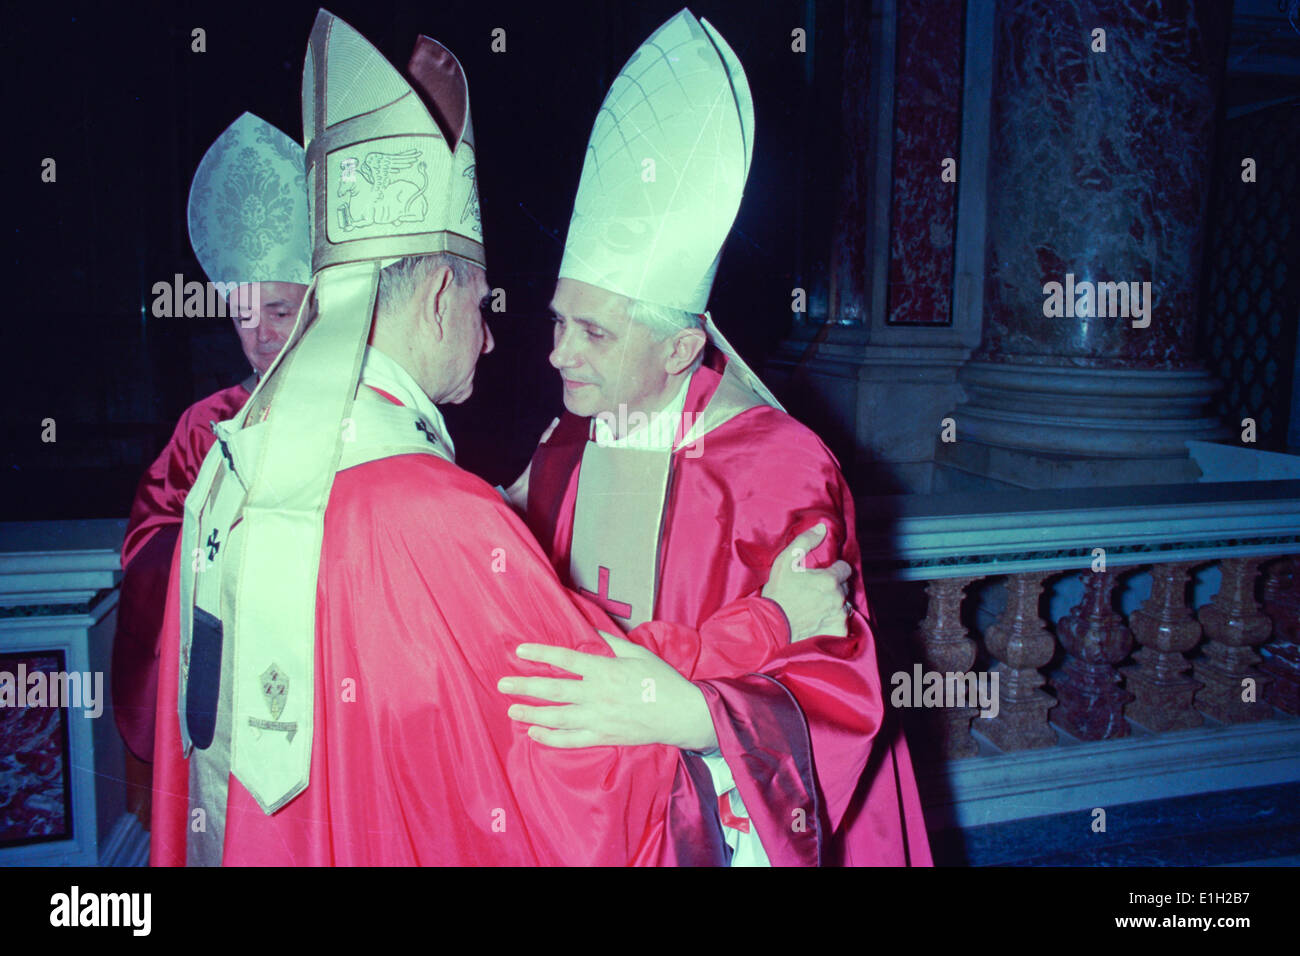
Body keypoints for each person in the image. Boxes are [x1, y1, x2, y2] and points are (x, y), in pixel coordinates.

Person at [149, 11, 845, 866]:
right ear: (440, 293)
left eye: (592, 332)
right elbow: (578, 735)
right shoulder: (431, 510)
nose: (496, 341)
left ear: (678, 348)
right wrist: (765, 629)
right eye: (484, 308)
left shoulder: (235, 458)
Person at [503, 8, 933, 866]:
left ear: (680, 348)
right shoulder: (562, 446)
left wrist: (687, 714)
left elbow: (839, 682)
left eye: (593, 332)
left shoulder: (777, 465)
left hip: (727, 817)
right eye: (558, 322)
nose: (556, 353)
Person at [112, 113, 308, 797]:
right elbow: (146, 542)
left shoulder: (352, 417)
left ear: (316, 306)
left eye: (280, 312)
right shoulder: (207, 423)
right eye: (243, 312)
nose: (258, 335)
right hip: (224, 663)